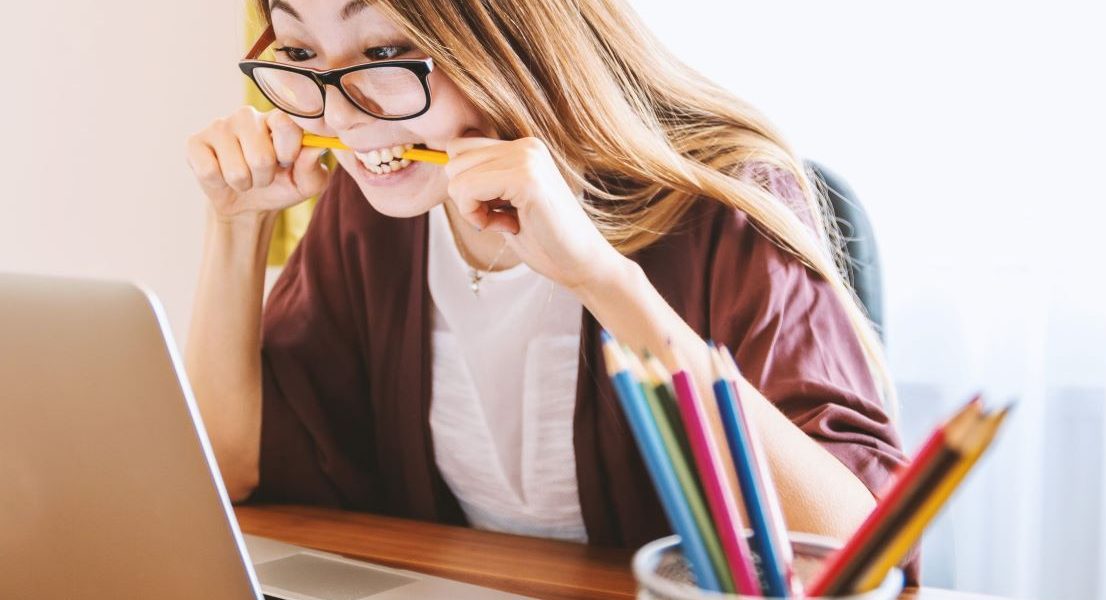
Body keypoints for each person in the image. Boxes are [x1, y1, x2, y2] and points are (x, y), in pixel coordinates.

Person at [183, 0, 913, 577]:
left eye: (385, 52)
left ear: (511, 33)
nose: (339, 116)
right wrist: (236, 227)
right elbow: (232, 471)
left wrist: (600, 279)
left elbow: (858, 552)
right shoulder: (374, 209)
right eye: (301, 54)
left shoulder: (722, 203)